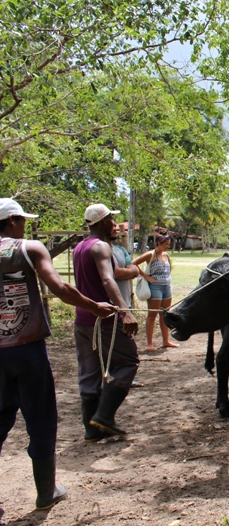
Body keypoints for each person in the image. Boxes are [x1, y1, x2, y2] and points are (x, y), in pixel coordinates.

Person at [0, 199, 116, 511]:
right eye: (22, 219)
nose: (25, 225)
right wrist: (95, 306)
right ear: (12, 220)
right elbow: (60, 286)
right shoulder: (30, 248)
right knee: (40, 417)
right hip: (28, 349)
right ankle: (46, 491)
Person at [73, 204, 140, 443]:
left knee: (89, 373)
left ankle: (91, 430)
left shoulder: (79, 247)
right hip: (105, 321)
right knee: (129, 362)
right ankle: (104, 415)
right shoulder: (101, 246)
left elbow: (109, 275)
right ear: (103, 221)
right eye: (112, 220)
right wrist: (125, 312)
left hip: (82, 321)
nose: (115, 225)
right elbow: (106, 279)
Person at [132, 234, 178, 351]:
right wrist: (145, 276)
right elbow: (133, 263)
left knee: (165, 315)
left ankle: (166, 341)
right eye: (166, 244)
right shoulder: (150, 254)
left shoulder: (166, 255)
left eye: (169, 244)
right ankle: (149, 344)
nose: (168, 246)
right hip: (155, 288)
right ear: (159, 243)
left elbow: (169, 268)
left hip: (166, 287)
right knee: (152, 315)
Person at [108, 223, 138, 309]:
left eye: (115, 226)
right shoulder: (99, 250)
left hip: (125, 303)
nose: (115, 229)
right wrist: (128, 273)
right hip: (107, 306)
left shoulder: (121, 250)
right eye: (112, 226)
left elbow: (135, 271)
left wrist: (128, 272)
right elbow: (116, 273)